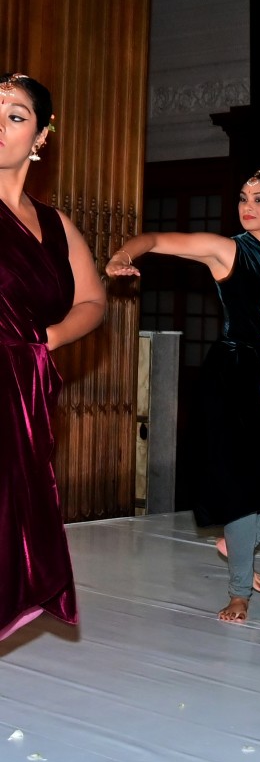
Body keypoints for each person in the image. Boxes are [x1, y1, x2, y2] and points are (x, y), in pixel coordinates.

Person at [106, 168, 260, 623]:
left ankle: (244, 537)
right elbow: (155, 239)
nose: (247, 207)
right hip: (234, 376)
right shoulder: (228, 250)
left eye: (258, 199)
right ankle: (239, 593)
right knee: (244, 488)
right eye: (242, 198)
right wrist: (122, 253)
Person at [0, 72, 106, 640]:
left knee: (12, 525)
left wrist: (49, 340)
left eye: (15, 116)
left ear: (41, 136)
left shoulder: (55, 224)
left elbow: (93, 300)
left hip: (27, 386)